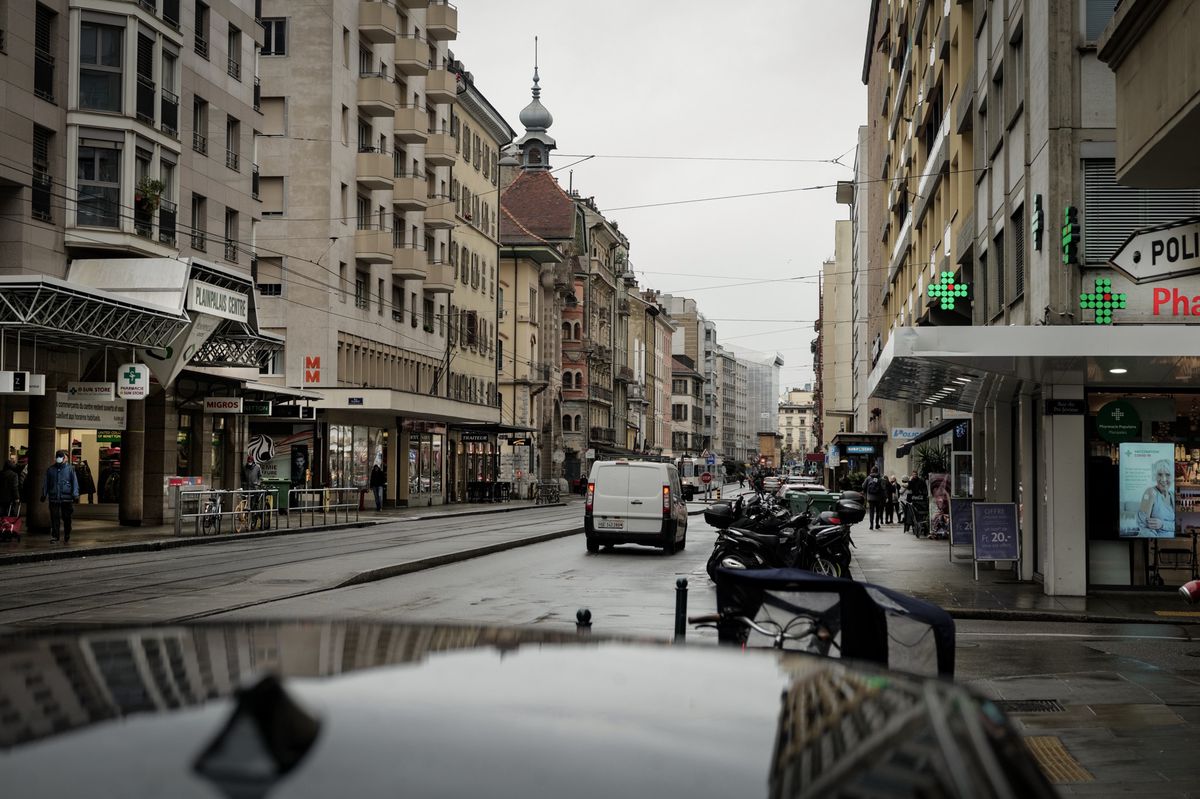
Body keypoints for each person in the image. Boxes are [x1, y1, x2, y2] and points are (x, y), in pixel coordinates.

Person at [41, 450, 79, 543]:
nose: (59, 458)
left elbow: (75, 483)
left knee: (67, 518)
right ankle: (55, 536)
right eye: (57, 457)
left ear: (64, 458)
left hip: (67, 498)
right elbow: (46, 483)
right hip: (54, 498)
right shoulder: (50, 469)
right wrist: (43, 494)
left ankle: (67, 533)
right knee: (54, 518)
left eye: (60, 457)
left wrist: (75, 495)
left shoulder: (70, 469)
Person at [1137, 459, 1175, 537]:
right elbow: (1143, 526)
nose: (1163, 479)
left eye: (1167, 475)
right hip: (1157, 542)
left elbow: (1177, 525)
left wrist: (1162, 524)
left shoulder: (1172, 495)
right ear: (1155, 475)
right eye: (1160, 474)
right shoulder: (1151, 492)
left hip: (1174, 542)